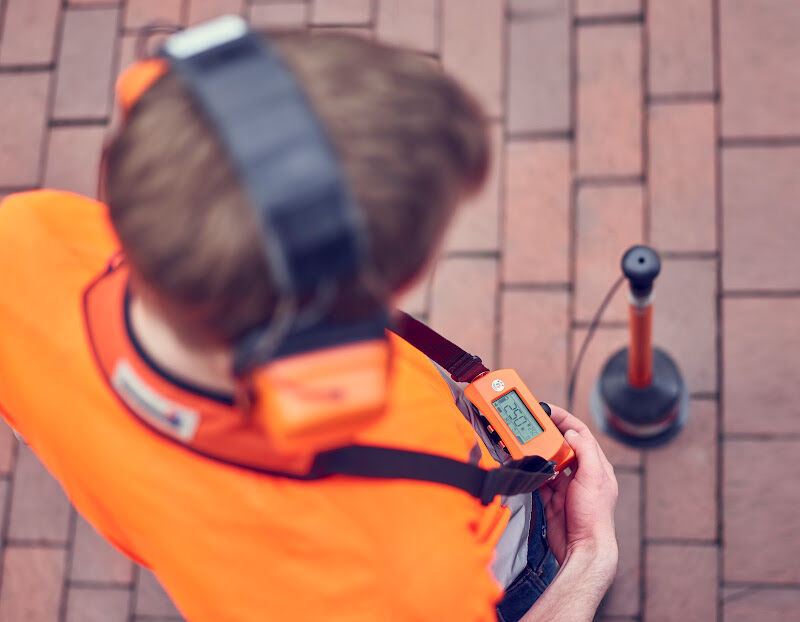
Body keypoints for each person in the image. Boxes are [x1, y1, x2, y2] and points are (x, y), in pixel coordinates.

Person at [0, 22, 617, 622]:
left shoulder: (21, 242)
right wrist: (587, 562)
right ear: (357, 302)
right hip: (506, 577)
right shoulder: (396, 572)